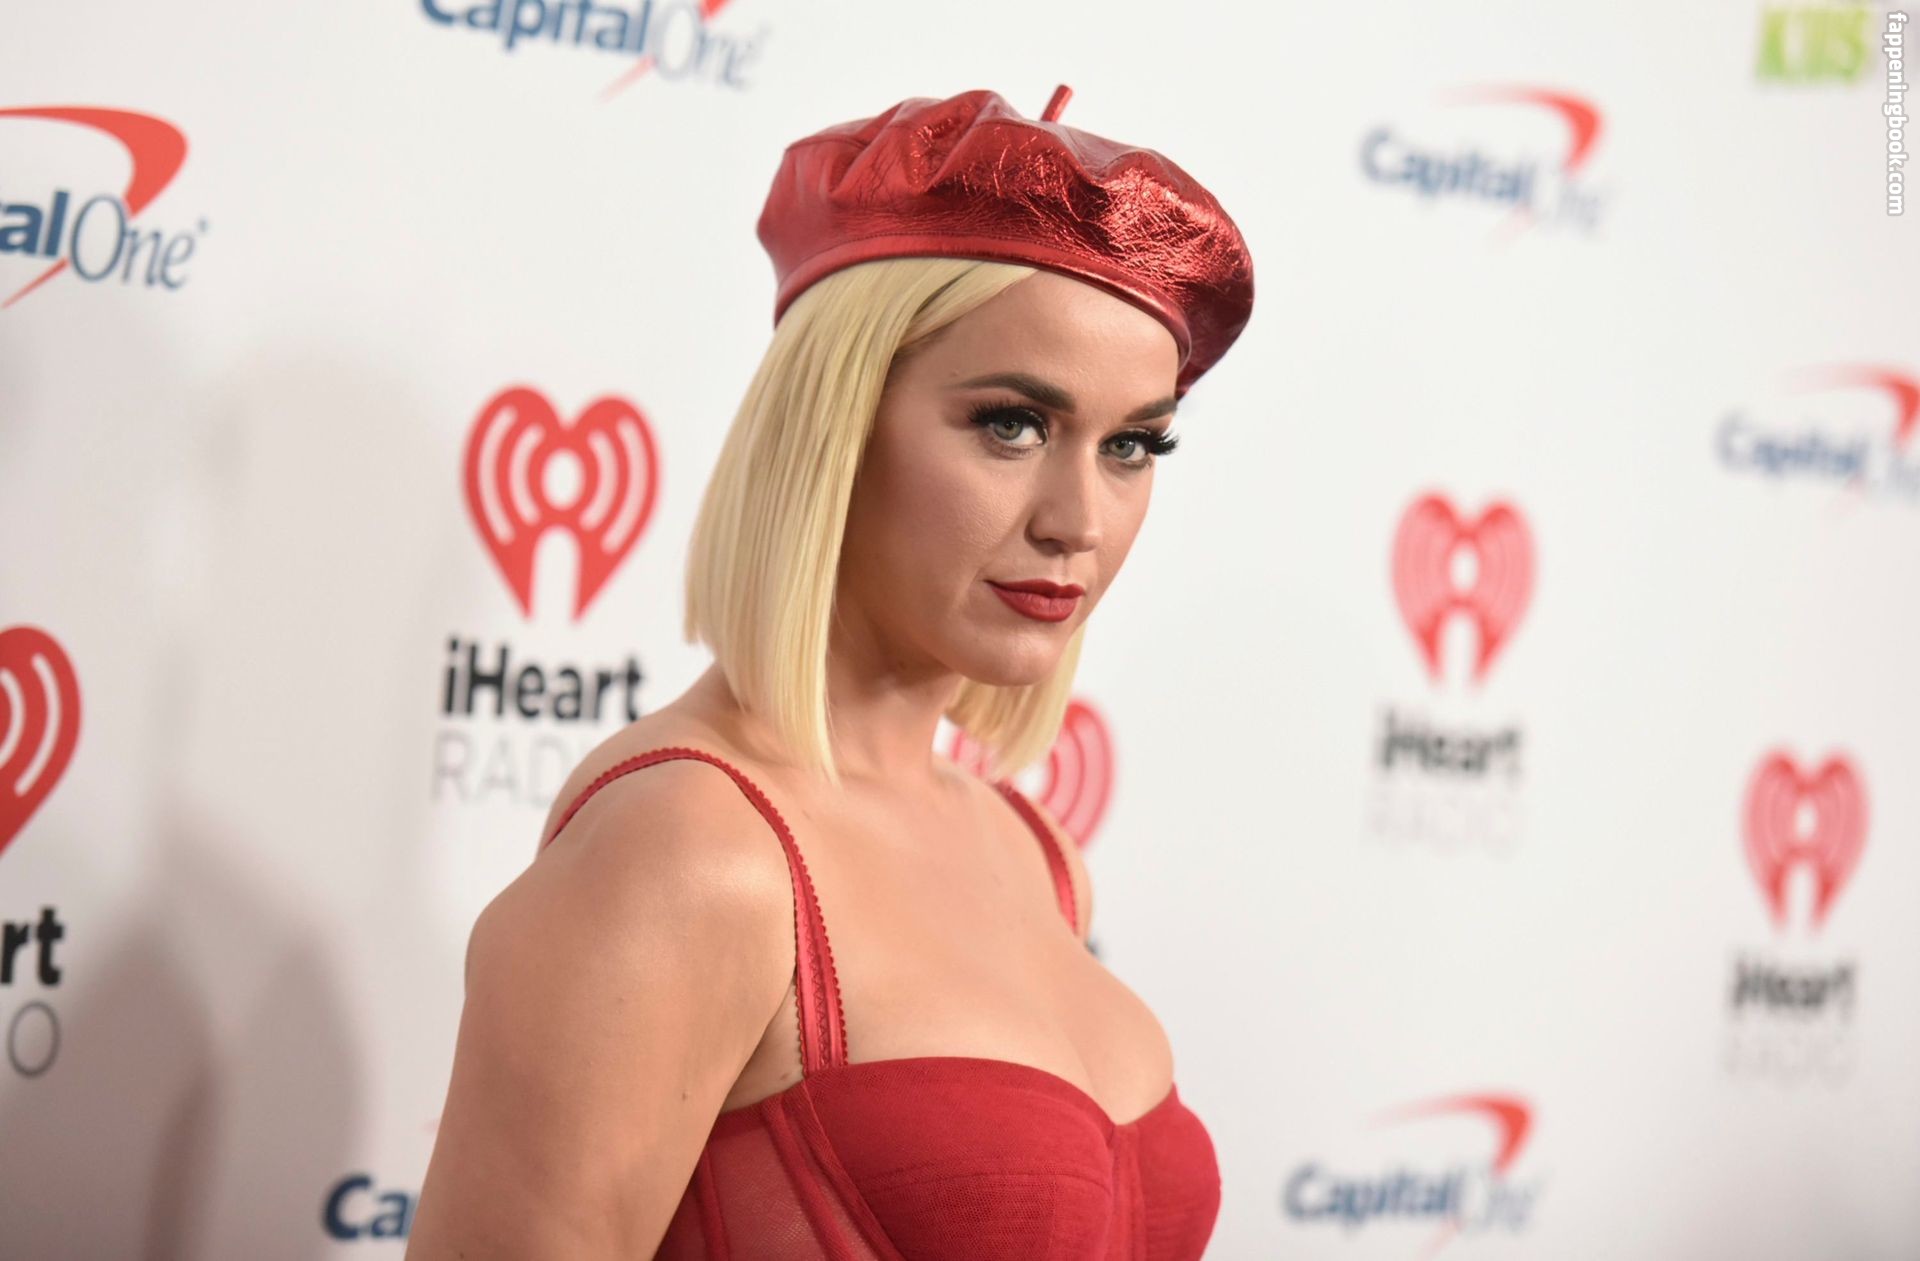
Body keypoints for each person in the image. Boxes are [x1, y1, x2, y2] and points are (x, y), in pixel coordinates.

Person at [406, 83, 1254, 1259]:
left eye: (1132, 445)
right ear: (832, 423)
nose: (1079, 520)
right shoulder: (687, 853)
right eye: (1011, 423)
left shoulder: (1038, 856)